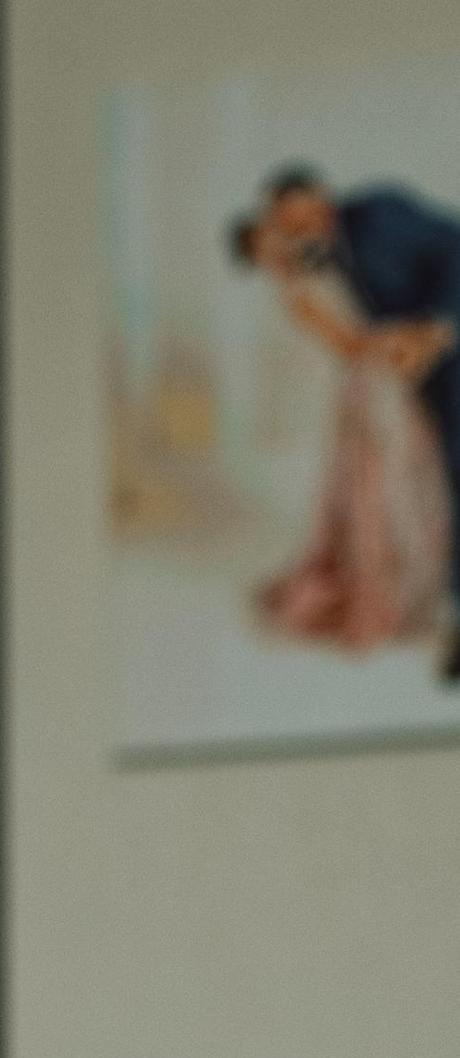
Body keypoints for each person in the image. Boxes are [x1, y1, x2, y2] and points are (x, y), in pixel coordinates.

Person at [234, 166, 460, 676]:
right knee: (388, 485)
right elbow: (348, 339)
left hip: (413, 369)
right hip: (379, 380)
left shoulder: (375, 214)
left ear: (314, 198)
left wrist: (430, 332)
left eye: (288, 219)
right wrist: (395, 344)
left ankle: (426, 593)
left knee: (420, 480)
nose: (290, 231)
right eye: (277, 229)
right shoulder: (300, 283)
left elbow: (451, 248)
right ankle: (405, 594)